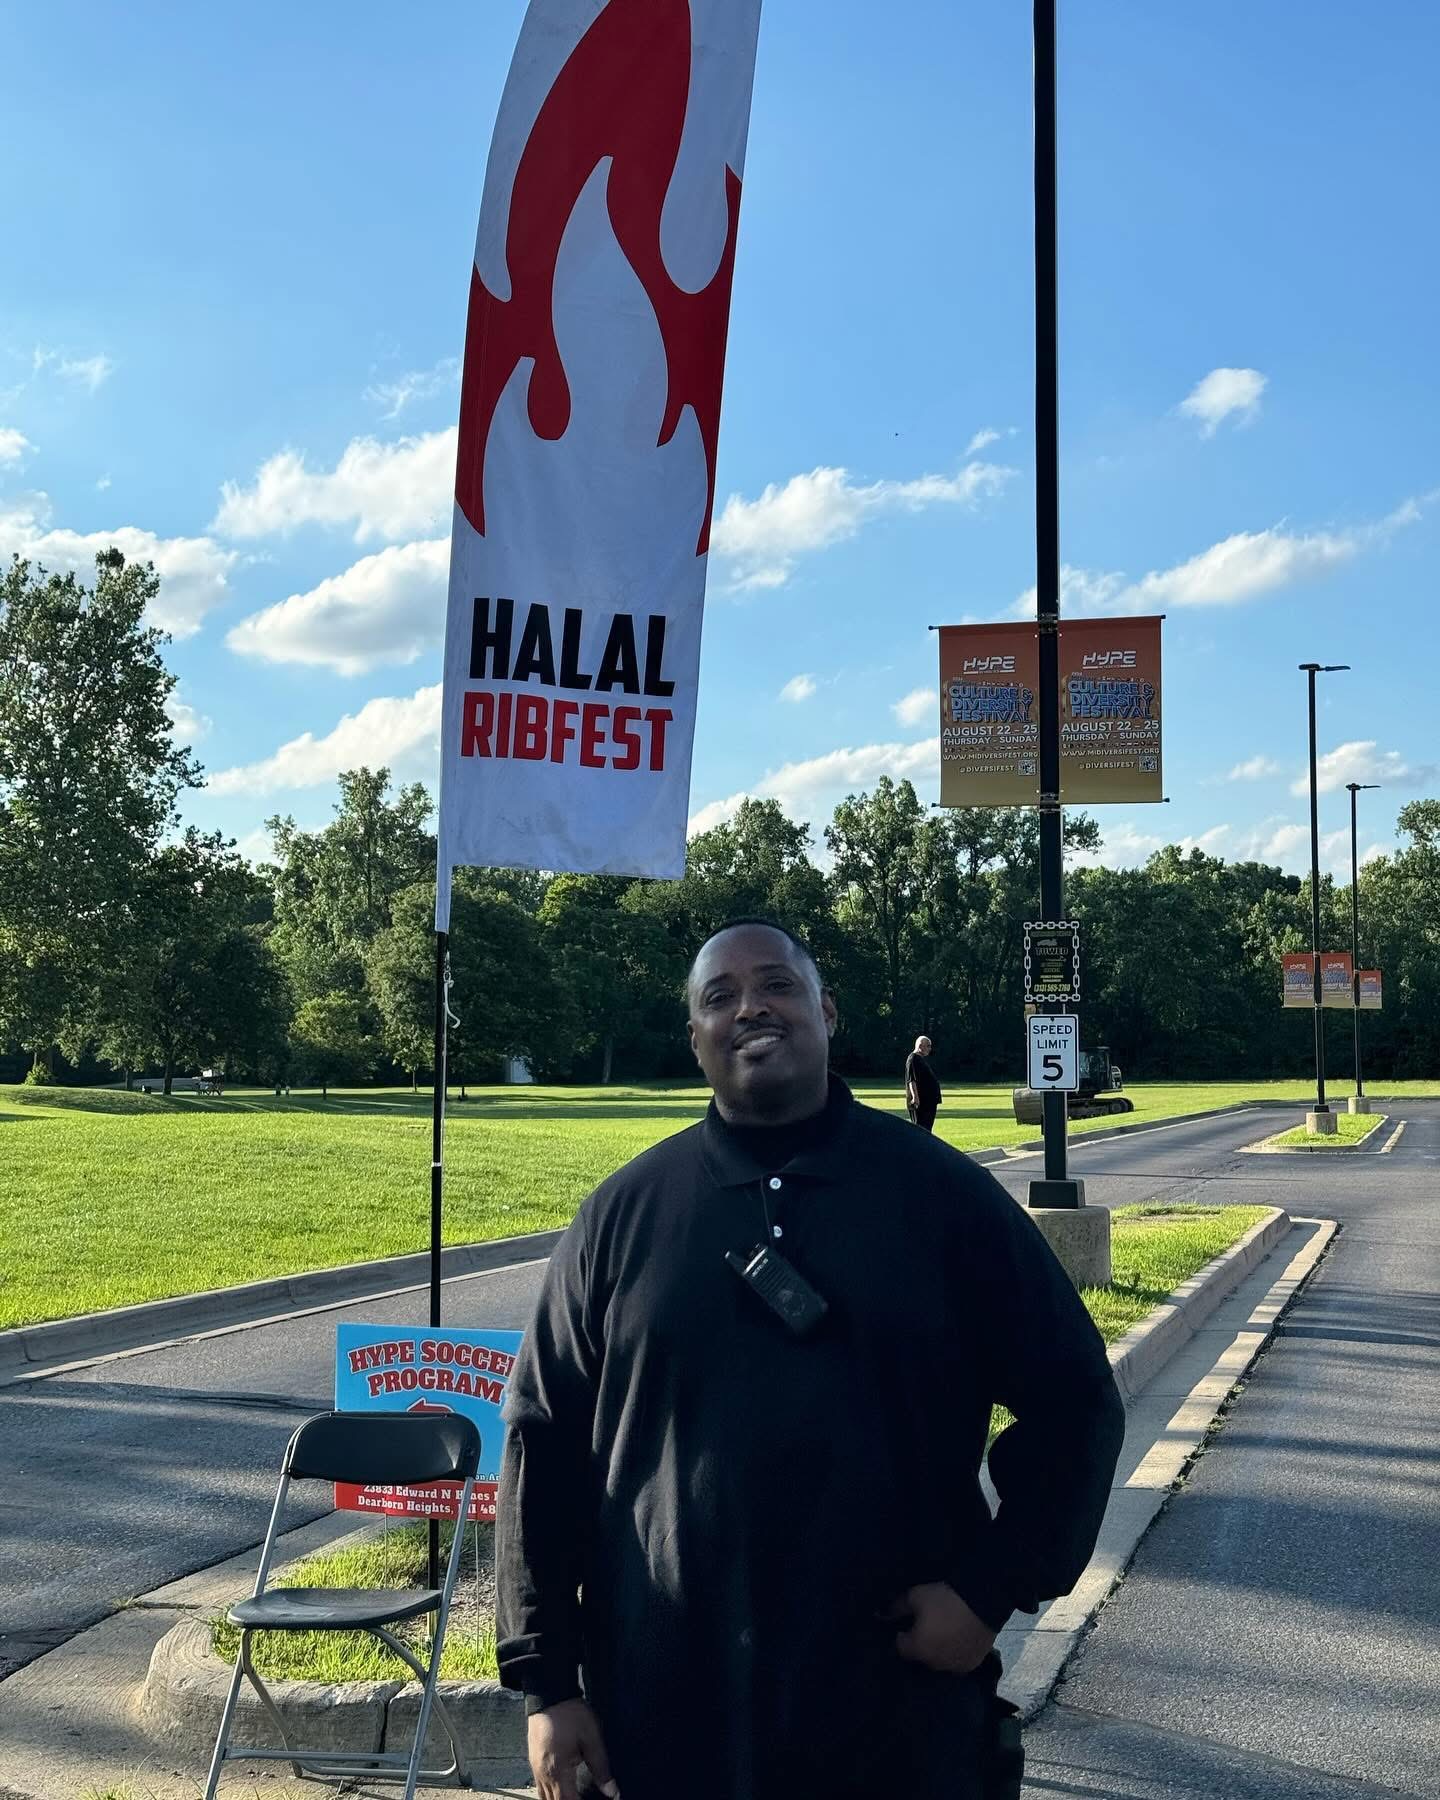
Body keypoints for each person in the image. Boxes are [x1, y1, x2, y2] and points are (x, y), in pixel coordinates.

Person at [497, 919, 1125, 1800]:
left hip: (896, 1714)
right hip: (665, 1714)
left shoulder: (943, 1199)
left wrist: (989, 1589)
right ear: (694, 1037)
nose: (751, 1006)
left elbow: (1076, 1402)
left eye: (777, 985)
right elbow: (543, 1442)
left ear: (826, 1009)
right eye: (720, 996)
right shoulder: (621, 1219)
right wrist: (547, 1684)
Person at [906, 1032, 942, 1131]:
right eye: (928, 1046)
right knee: (921, 1129)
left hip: (928, 1102)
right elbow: (911, 1080)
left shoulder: (920, 1059)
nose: (930, 1048)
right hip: (921, 1102)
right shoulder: (913, 1058)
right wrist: (915, 1097)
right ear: (920, 1045)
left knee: (927, 1128)